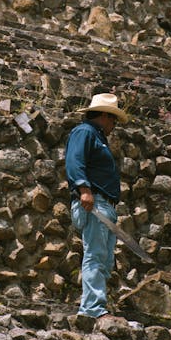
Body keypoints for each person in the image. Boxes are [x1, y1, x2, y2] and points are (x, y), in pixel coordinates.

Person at [65, 93, 128, 321]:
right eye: (113, 120)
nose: (114, 126)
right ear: (104, 115)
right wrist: (84, 189)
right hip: (95, 202)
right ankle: (92, 309)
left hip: (104, 205)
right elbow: (75, 161)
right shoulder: (85, 132)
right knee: (96, 254)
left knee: (104, 258)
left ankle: (95, 304)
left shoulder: (97, 136)